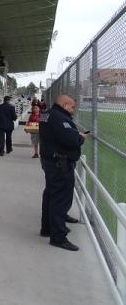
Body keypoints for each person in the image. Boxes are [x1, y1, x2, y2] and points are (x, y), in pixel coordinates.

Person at [39, 95, 88, 251]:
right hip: (60, 164)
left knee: (50, 195)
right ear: (65, 105)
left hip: (50, 161)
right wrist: (81, 138)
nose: (73, 111)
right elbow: (71, 140)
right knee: (60, 200)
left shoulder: (46, 114)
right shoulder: (59, 118)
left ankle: (47, 228)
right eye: (72, 107)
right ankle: (58, 237)